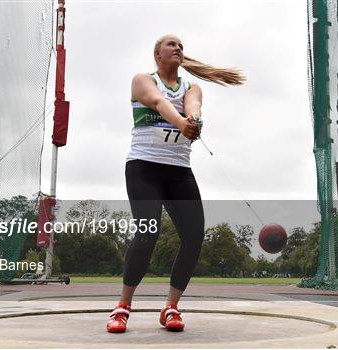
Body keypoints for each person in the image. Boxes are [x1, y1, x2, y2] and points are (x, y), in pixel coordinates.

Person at [106, 34, 245, 333]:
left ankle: (171, 307)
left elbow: (193, 105)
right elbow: (157, 102)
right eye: (172, 44)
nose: (178, 48)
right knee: (147, 232)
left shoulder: (191, 87)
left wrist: (193, 119)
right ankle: (123, 306)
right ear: (157, 53)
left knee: (194, 236)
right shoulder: (143, 80)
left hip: (179, 172)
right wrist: (180, 123)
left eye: (181, 46)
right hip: (144, 167)